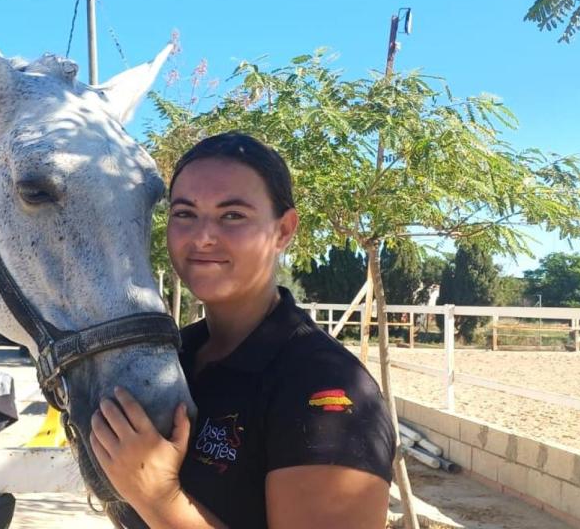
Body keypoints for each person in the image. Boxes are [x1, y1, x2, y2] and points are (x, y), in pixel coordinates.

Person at [89, 132, 396, 528]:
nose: (202, 237)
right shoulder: (172, 356)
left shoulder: (323, 386)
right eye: (185, 213)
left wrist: (158, 498)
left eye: (232, 215)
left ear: (283, 231)